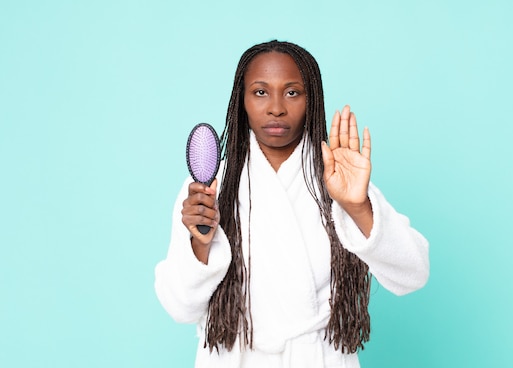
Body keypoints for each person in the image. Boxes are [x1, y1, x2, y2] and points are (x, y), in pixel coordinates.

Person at [155, 40, 430, 368]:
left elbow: (413, 273)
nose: (275, 108)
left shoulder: (338, 180)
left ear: (311, 100)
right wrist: (200, 244)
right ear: (241, 101)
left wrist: (358, 207)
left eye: (292, 92)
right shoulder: (208, 190)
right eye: (260, 92)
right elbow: (180, 308)